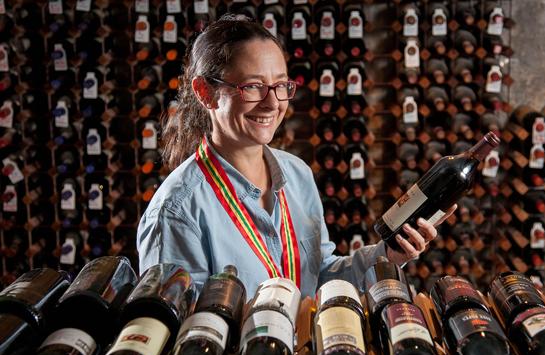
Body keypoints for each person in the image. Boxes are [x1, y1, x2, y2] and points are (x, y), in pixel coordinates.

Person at [137, 15, 456, 299]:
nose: (271, 103)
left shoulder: (297, 175)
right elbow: (182, 334)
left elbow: (321, 278)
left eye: (280, 85)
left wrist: (389, 253)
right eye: (253, 86)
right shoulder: (176, 212)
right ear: (205, 92)